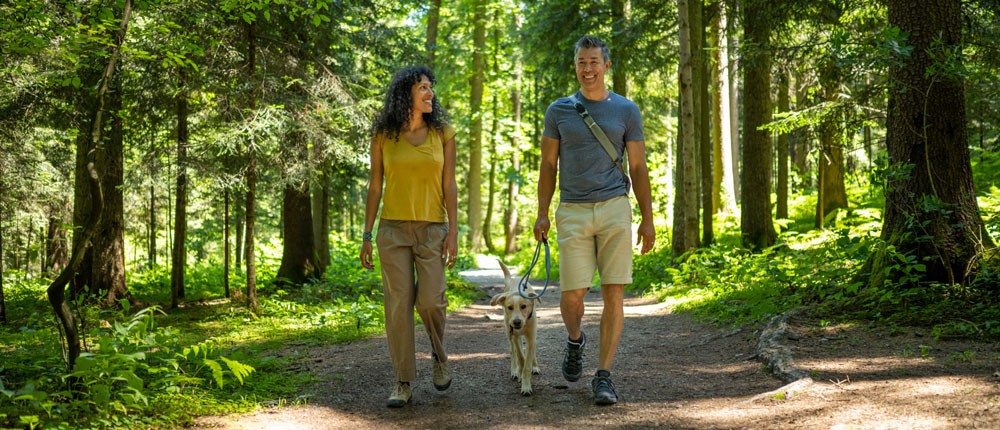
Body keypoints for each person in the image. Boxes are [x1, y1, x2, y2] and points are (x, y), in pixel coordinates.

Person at [533, 35, 656, 405]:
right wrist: (542, 211)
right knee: (571, 296)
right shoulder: (559, 111)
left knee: (614, 291)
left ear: (606, 66)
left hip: (616, 207)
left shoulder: (626, 110)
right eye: (582, 62)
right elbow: (548, 165)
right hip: (572, 210)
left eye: (594, 62)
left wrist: (647, 220)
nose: (588, 69)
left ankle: (604, 375)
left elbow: (637, 166)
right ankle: (575, 340)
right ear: (576, 66)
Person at [360, 65, 459, 408]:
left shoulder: (443, 132)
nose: (430, 93)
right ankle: (402, 380)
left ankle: (439, 356)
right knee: (398, 305)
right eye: (423, 88)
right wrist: (367, 234)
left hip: (433, 229)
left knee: (430, 301)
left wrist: (454, 232)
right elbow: (376, 185)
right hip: (392, 230)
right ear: (406, 94)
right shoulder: (384, 134)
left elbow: (449, 183)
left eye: (431, 88)